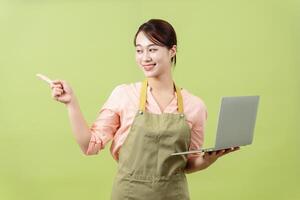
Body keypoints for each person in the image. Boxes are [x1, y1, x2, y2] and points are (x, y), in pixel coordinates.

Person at [48, 19, 240, 200]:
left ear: (172, 51)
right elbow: (89, 145)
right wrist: (71, 103)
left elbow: (189, 162)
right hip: (129, 194)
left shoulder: (194, 105)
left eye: (152, 49)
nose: (145, 58)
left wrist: (209, 159)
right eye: (139, 50)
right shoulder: (124, 95)